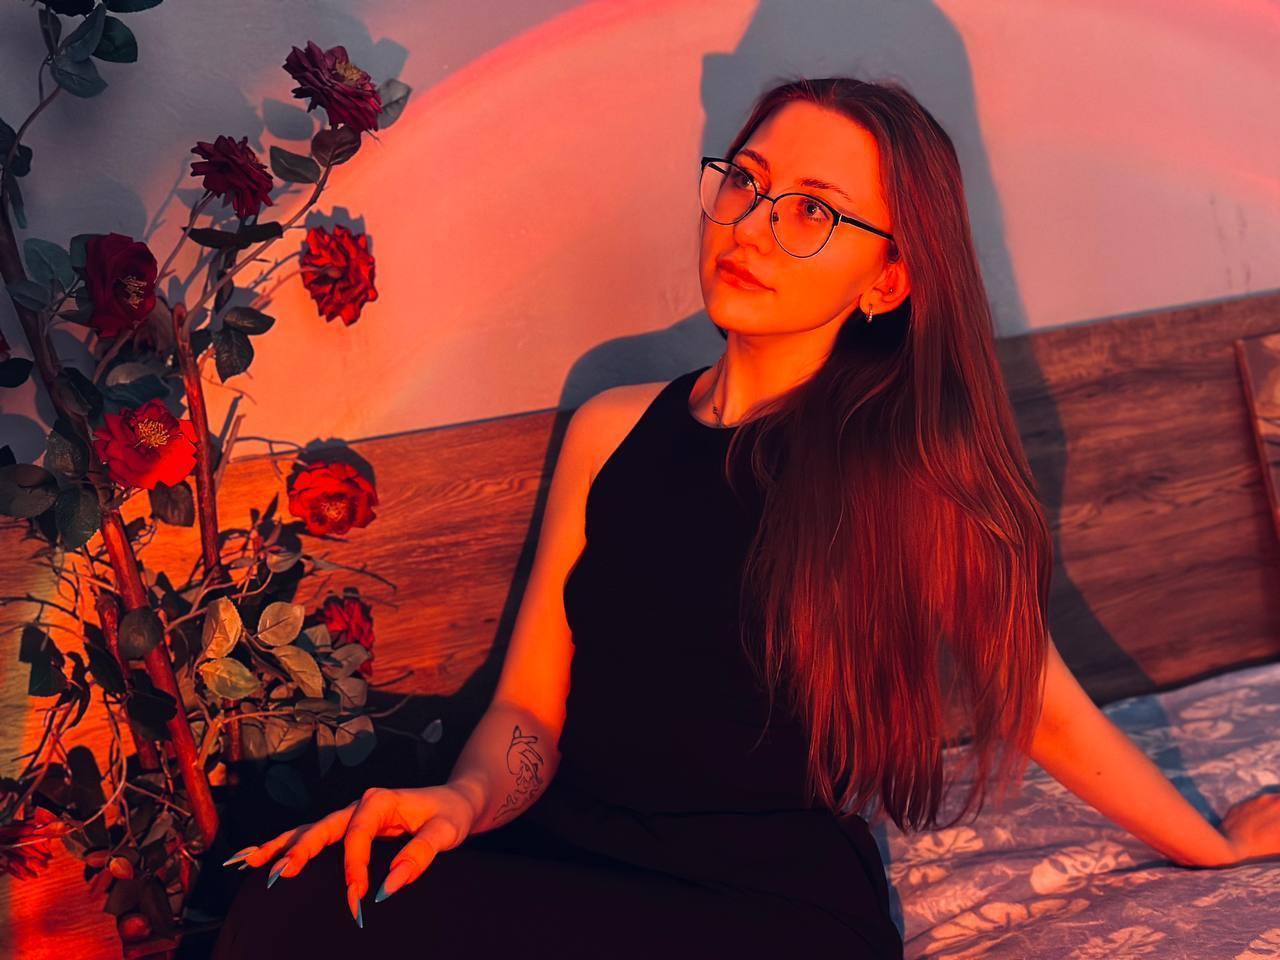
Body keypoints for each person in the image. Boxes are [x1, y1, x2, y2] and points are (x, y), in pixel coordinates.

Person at [207, 74, 1278, 960]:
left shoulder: (904, 472)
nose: (753, 226)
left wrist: (1210, 846)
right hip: (565, 855)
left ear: (886, 279)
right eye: (746, 182)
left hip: (761, 905)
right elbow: (530, 706)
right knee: (290, 907)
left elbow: (1039, 705)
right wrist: (465, 802)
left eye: (812, 210)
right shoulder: (610, 427)